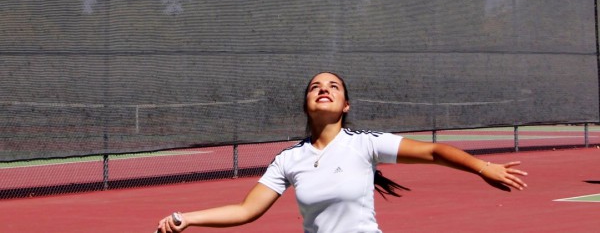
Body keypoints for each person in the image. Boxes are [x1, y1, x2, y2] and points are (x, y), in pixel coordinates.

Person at [156, 72, 528, 233]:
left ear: (346, 104)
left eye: (333, 87)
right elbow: (246, 210)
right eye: (315, 87)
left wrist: (483, 167)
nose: (324, 89)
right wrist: (187, 217)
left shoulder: (365, 143)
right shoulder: (288, 160)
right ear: (305, 104)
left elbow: (433, 151)